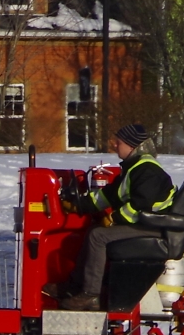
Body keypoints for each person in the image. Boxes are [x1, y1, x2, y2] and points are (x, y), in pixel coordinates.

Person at [46, 123, 176, 311]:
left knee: (98, 236)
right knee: (93, 230)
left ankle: (91, 295)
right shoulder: (134, 167)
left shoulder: (147, 169)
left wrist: (113, 219)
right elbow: (108, 195)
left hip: (153, 225)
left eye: (119, 142)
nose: (115, 145)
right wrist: (78, 205)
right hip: (144, 222)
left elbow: (139, 205)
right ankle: (75, 286)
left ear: (132, 145)